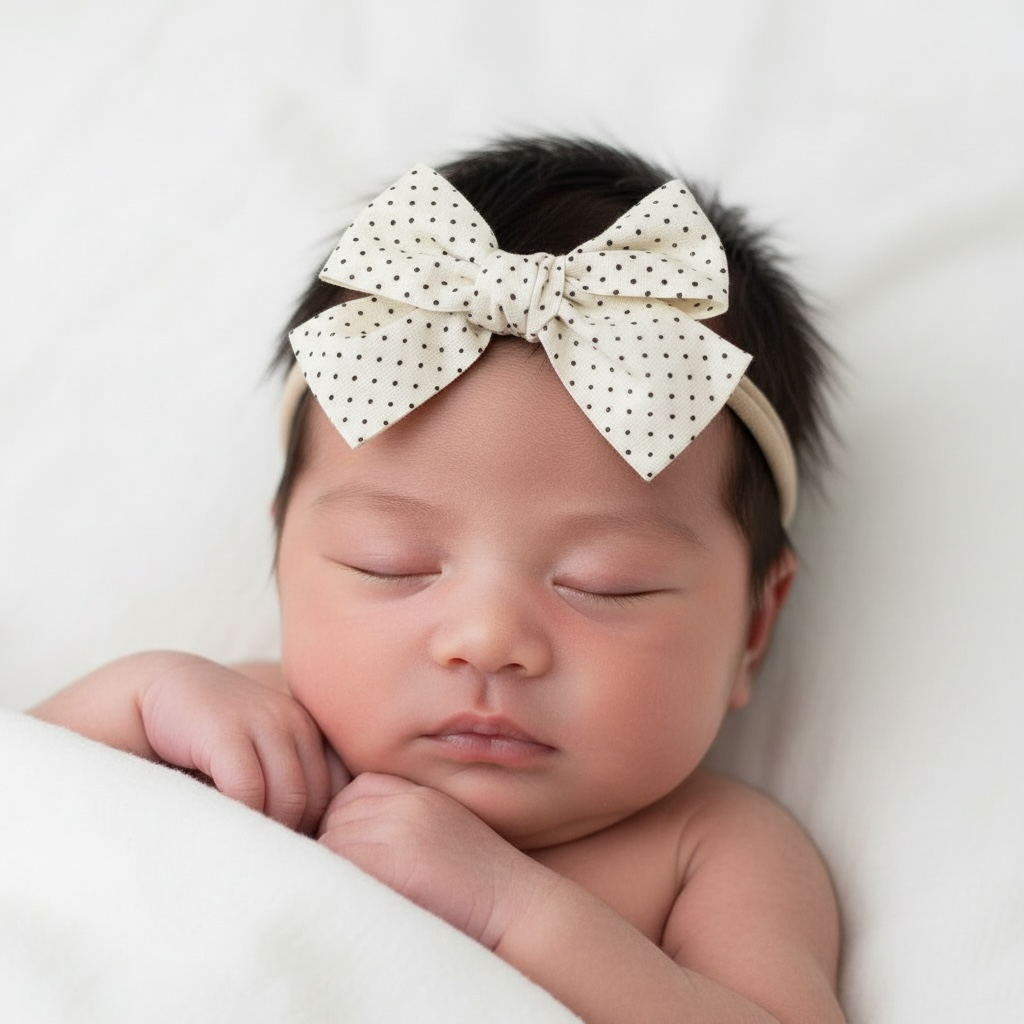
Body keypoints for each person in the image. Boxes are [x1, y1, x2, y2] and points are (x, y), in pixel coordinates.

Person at [32, 137, 844, 1024]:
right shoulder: (231, 739)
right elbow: (31, 840)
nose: (488, 639)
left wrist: (514, 909)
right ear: (285, 564)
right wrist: (127, 702)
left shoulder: (710, 850)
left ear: (754, 626)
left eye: (606, 583)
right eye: (392, 564)